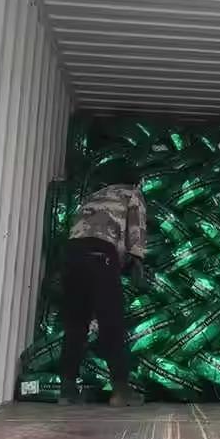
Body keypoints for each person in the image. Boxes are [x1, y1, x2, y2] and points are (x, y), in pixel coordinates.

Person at [59, 171, 147, 406]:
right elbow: (136, 230)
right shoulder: (132, 193)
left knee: (75, 324)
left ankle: (66, 391)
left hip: (72, 254)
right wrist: (137, 259)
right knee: (111, 323)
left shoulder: (93, 196)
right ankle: (120, 391)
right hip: (101, 254)